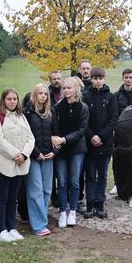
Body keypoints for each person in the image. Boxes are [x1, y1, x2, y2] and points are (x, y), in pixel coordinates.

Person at [0, 88, 34, 243]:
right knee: (2, 197)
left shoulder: (21, 116)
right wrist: (15, 154)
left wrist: (24, 154)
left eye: (15, 99)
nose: (12, 102)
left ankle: (12, 226)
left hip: (20, 164)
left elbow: (30, 138)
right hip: (2, 163)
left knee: (13, 198)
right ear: (3, 100)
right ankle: (1, 229)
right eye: (9, 99)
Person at [52, 77, 89, 228]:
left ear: (76, 89)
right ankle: (62, 212)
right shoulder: (57, 107)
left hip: (76, 149)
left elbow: (82, 130)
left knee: (74, 182)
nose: (66, 90)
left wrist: (64, 139)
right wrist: (56, 139)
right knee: (61, 182)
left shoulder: (83, 108)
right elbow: (54, 125)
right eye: (64, 88)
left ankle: (72, 211)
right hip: (60, 150)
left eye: (69, 88)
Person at [83, 68, 118, 218]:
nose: (98, 81)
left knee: (102, 175)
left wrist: (101, 137)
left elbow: (113, 119)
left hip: (105, 143)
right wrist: (92, 136)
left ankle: (100, 203)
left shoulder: (110, 97)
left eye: (100, 78)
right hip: (89, 143)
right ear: (91, 79)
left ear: (104, 79)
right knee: (90, 175)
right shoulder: (85, 96)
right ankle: (90, 204)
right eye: (95, 78)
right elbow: (83, 120)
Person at [24, 84, 55, 236]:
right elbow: (25, 136)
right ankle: (38, 225)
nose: (43, 96)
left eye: (45, 94)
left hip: (48, 156)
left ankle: (42, 219)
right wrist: (36, 153)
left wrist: (54, 152)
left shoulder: (51, 112)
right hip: (34, 157)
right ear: (35, 95)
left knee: (47, 189)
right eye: (40, 93)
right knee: (35, 190)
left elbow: (56, 135)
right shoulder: (27, 113)